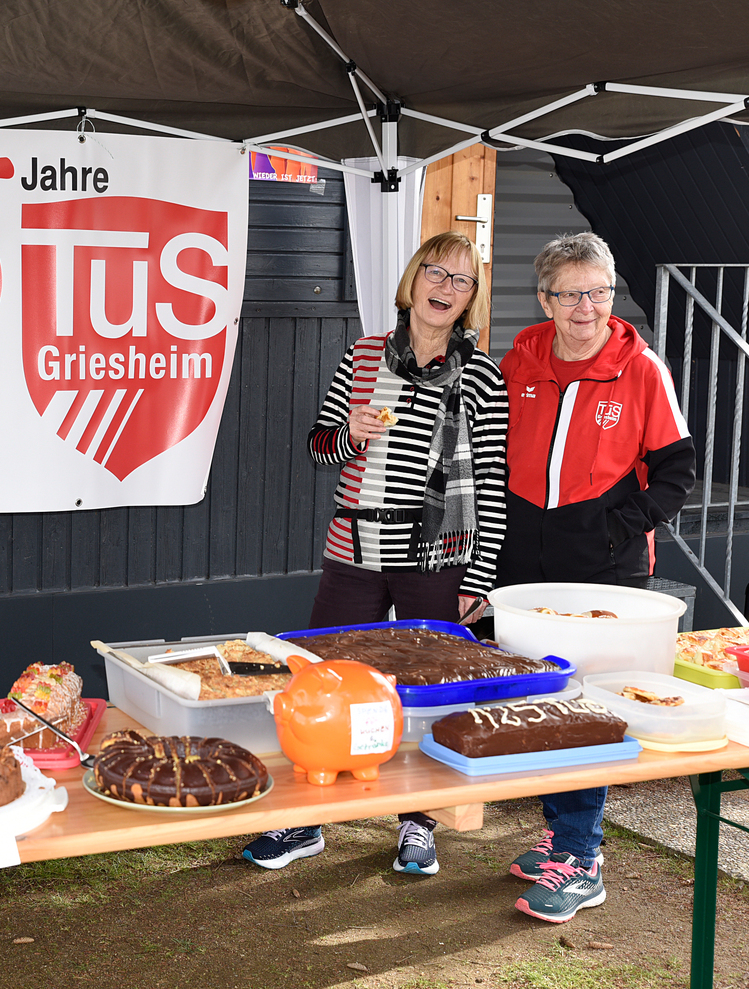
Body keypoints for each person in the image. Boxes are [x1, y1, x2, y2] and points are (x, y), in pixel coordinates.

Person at [241, 231, 509, 875]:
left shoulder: (483, 374)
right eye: (436, 273)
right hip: (354, 546)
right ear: (412, 280)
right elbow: (318, 447)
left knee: (427, 687)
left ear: (471, 297)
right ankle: (307, 821)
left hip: (438, 553)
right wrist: (350, 433)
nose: (445, 288)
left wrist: (480, 578)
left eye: (462, 280)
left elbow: (494, 481)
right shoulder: (363, 356)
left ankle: (418, 822)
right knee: (322, 675)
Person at [497, 231, 695, 923]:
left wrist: (618, 525)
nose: (587, 307)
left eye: (600, 292)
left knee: (588, 707)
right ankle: (561, 831)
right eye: (572, 294)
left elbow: (677, 472)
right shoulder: (517, 362)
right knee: (541, 698)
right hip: (525, 560)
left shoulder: (641, 369)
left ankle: (582, 857)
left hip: (603, 567)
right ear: (544, 299)